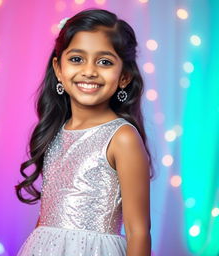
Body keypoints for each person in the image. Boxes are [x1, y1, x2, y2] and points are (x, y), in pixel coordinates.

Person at [15, 8, 154, 256]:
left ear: (124, 77)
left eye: (104, 62)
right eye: (77, 59)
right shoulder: (54, 132)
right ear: (58, 69)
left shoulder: (122, 138)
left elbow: (138, 231)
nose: (89, 71)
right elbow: (46, 221)